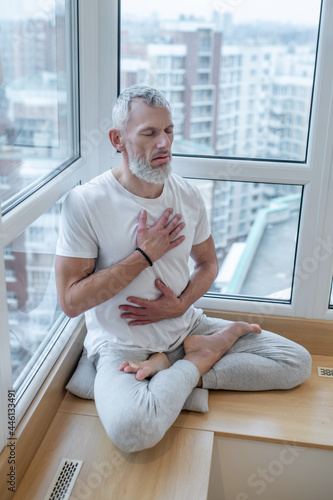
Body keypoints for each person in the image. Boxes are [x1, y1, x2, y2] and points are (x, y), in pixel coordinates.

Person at [55, 85, 312, 453]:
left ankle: (181, 360)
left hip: (186, 326)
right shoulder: (85, 202)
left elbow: (207, 264)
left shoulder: (188, 195)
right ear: (117, 139)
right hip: (121, 344)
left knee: (295, 363)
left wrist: (180, 305)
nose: (165, 143)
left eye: (169, 130)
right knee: (133, 431)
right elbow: (70, 302)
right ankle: (197, 360)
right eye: (149, 133)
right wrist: (144, 255)